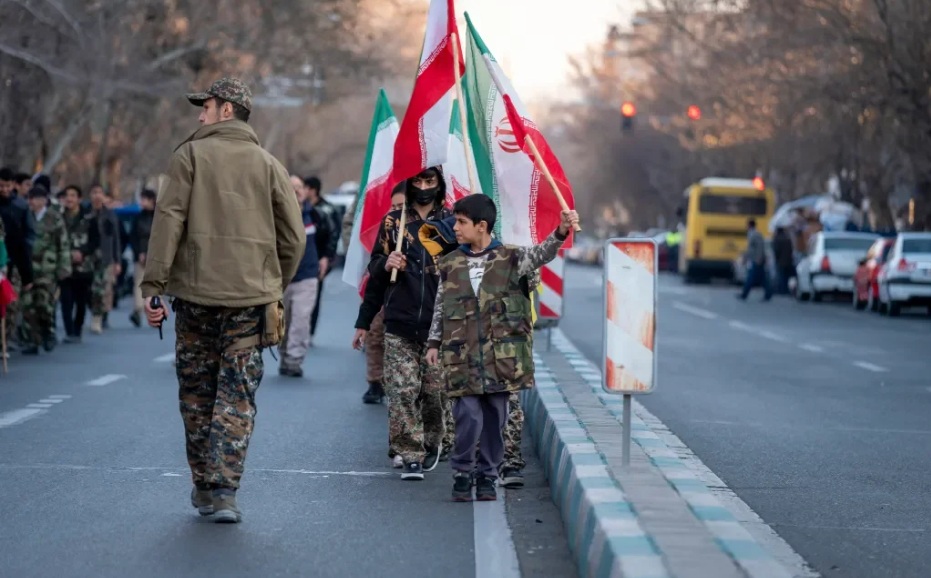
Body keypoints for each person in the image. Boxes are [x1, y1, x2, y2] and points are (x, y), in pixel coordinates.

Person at [141, 77, 305, 524]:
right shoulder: (269, 164)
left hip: (194, 301)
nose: (200, 114)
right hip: (252, 304)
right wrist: (270, 282)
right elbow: (293, 238)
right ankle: (226, 491)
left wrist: (154, 286)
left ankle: (203, 486)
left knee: (197, 394)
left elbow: (168, 222)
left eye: (207, 106)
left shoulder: (189, 156)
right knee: (237, 396)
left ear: (227, 109)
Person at [426, 195, 577, 501]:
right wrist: (433, 342)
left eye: (461, 222)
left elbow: (542, 254)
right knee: (467, 415)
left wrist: (560, 232)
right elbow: (441, 305)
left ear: (482, 226)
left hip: (501, 358)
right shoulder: (451, 262)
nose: (455, 227)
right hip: (462, 355)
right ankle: (463, 471)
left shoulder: (511, 258)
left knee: (496, 418)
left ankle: (487, 476)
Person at [352, 167, 451, 480]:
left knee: (434, 394)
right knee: (402, 390)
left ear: (439, 184)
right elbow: (375, 273)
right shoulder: (394, 222)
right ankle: (409, 453)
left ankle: (433, 441)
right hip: (399, 323)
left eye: (429, 181)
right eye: (418, 181)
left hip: (439, 327)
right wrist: (364, 322)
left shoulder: (451, 222)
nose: (423, 187)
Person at [352, 184, 406, 404]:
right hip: (384, 294)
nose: (396, 211)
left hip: (410, 305)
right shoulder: (386, 229)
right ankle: (375, 382)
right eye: (393, 206)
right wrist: (362, 322)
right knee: (375, 336)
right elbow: (374, 275)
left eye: (401, 206)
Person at [279, 174, 327, 378]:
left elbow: (327, 238)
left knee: (301, 320)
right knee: (283, 322)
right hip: (282, 278)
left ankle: (294, 360)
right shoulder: (277, 216)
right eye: (292, 187)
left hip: (307, 276)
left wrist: (325, 257)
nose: (298, 190)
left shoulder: (315, 214)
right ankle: (284, 355)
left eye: (300, 187)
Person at [21, 185, 71, 354]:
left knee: (44, 303)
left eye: (34, 199)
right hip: (27, 268)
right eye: (29, 199)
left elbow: (63, 244)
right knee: (28, 304)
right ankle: (32, 340)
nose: (31, 202)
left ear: (43, 200)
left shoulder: (54, 218)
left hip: (47, 268)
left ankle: (48, 332)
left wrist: (64, 266)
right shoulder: (26, 216)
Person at [59, 185, 97, 343]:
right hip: (64, 265)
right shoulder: (58, 217)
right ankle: (69, 331)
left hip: (83, 266)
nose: (69, 199)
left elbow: (95, 240)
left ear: (79, 199)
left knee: (81, 300)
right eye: (67, 195)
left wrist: (82, 252)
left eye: (73, 195)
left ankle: (78, 328)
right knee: (66, 300)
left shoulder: (89, 217)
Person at [303, 176, 338, 344]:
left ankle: (309, 331)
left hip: (319, 258)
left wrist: (327, 257)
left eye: (305, 187)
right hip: (301, 259)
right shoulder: (300, 207)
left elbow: (333, 234)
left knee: (314, 296)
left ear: (313, 189)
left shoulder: (327, 210)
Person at [88, 184, 121, 334]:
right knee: (91, 290)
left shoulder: (109, 215)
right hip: (87, 258)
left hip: (106, 258)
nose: (97, 195)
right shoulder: (85, 213)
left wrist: (117, 260)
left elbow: (115, 239)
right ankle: (96, 313)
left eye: (100, 192)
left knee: (103, 289)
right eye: (94, 192)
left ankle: (99, 318)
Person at [129, 189, 156, 327]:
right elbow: (133, 237)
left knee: (155, 285)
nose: (141, 202)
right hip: (140, 256)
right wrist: (139, 252)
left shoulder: (159, 217)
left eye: (144, 199)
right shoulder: (138, 217)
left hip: (156, 257)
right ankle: (138, 310)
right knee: (138, 284)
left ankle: (153, 313)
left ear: (151, 200)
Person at [738, 218, 772, 301]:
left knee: (751, 278)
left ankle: (744, 294)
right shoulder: (751, 234)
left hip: (757, 260)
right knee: (762, 278)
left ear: (749, 225)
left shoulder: (756, 234)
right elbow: (751, 249)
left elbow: (760, 247)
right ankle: (768, 294)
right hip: (755, 259)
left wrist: (759, 258)